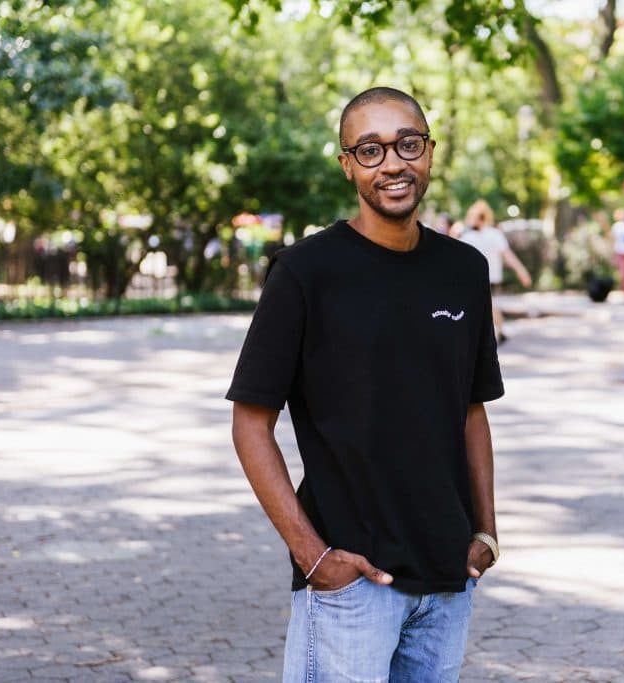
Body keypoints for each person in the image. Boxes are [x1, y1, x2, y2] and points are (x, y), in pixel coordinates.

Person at [226, 86, 504, 683]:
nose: (393, 163)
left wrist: (486, 532)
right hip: (351, 581)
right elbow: (250, 425)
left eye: (407, 144)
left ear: (428, 152)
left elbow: (471, 411)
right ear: (348, 165)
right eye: (371, 150)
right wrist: (313, 556)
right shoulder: (304, 273)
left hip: (449, 577)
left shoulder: (464, 270)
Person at [459, 199, 532, 342]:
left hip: (487, 278)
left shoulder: (489, 235)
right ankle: (496, 332)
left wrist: (521, 271)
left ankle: (497, 332)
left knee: (487, 306)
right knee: (486, 306)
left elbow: (508, 256)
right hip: (480, 278)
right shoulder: (470, 236)